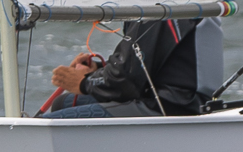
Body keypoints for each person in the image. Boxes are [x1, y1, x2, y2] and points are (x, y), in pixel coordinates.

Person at [36, 16, 223, 118]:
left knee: (48, 126)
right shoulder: (176, 2)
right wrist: (97, 71)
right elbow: (141, 67)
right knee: (62, 103)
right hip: (178, 101)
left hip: (171, 109)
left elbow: (125, 82)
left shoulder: (160, 9)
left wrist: (85, 83)